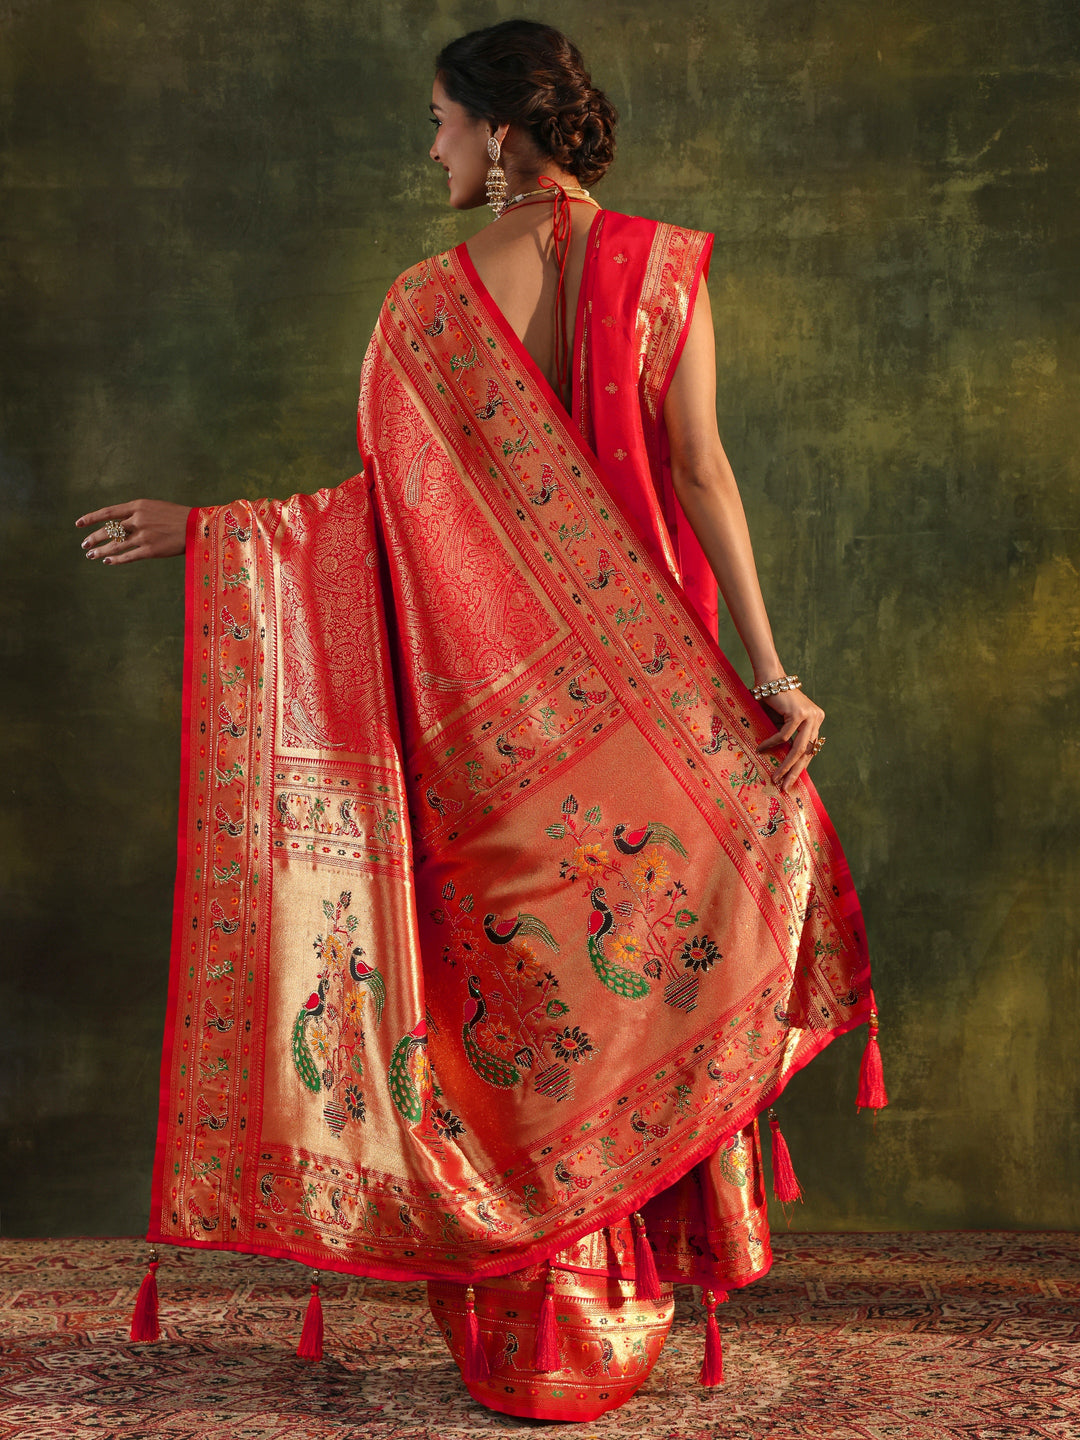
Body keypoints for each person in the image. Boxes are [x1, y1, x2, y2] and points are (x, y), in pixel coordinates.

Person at [76, 20, 881, 1424]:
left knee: (514, 1020)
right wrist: (767, 675)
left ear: (503, 133)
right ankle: (612, 1309)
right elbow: (703, 477)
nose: (431, 147)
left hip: (481, 747)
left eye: (443, 122)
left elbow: (376, 529)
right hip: (653, 721)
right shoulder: (665, 270)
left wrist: (209, 535)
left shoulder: (426, 304)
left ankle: (531, 1319)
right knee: (632, 996)